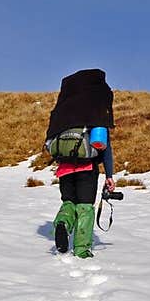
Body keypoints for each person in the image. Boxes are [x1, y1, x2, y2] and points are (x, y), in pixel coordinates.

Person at [45, 69, 116, 258]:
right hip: (87, 167)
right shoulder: (95, 110)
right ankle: (82, 250)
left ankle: (62, 223)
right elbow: (105, 148)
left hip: (64, 168)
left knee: (69, 202)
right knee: (85, 207)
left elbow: (49, 142)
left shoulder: (62, 110)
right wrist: (109, 175)